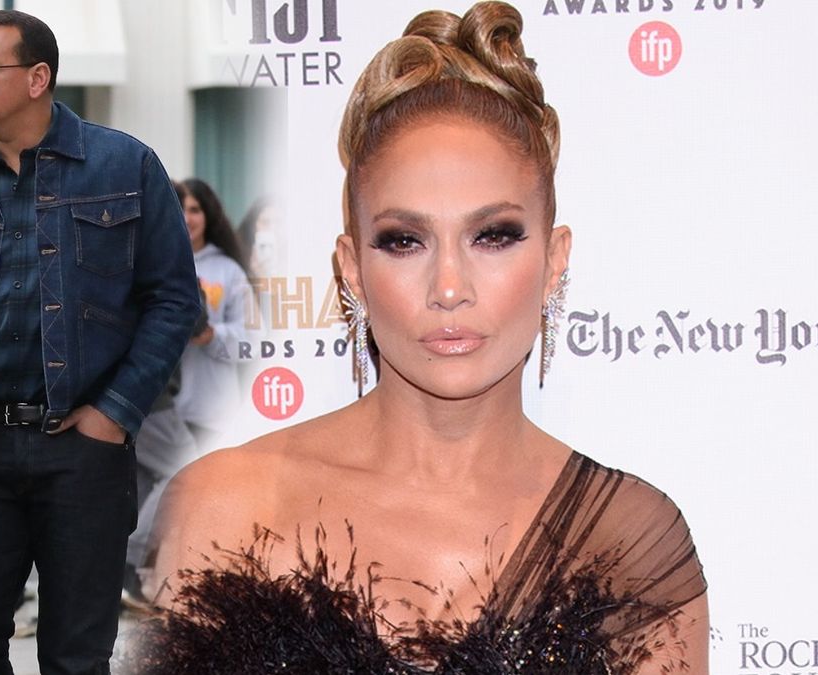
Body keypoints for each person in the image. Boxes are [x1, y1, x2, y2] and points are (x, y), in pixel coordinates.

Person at [133, 3, 708, 674]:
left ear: (554, 261)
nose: (449, 287)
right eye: (405, 241)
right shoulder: (220, 507)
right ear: (352, 269)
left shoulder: (629, 543)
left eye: (493, 236)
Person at [0, 9, 199, 675]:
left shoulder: (126, 166)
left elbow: (174, 299)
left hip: (84, 449)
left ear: (37, 78)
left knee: (76, 657)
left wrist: (115, 411)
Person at [174, 178, 253, 451]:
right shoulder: (154, 265)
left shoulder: (229, 270)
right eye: (179, 208)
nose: (186, 218)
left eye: (195, 210)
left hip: (214, 412)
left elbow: (253, 337)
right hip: (163, 412)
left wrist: (212, 336)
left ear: (208, 214)